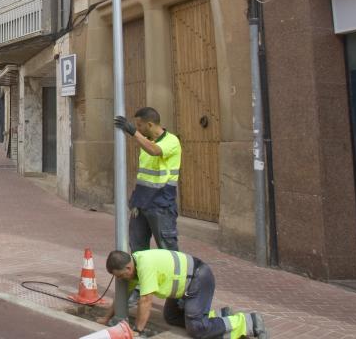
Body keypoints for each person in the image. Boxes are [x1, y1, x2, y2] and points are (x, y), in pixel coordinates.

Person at [99, 249, 267, 339]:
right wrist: (106, 318)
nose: (122, 279)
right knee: (171, 317)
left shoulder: (144, 266)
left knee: (197, 329)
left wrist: (138, 330)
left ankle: (249, 322)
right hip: (183, 287)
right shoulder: (134, 267)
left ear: (128, 268)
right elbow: (121, 298)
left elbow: (146, 300)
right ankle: (222, 316)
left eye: (121, 276)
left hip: (199, 279)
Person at [114, 107, 182, 253]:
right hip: (141, 204)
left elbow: (155, 150)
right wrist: (134, 201)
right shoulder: (146, 142)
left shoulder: (171, 140)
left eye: (139, 125)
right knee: (137, 248)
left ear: (150, 125)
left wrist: (133, 132)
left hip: (161, 204)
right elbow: (144, 176)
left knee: (167, 248)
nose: (138, 128)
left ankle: (174, 276)